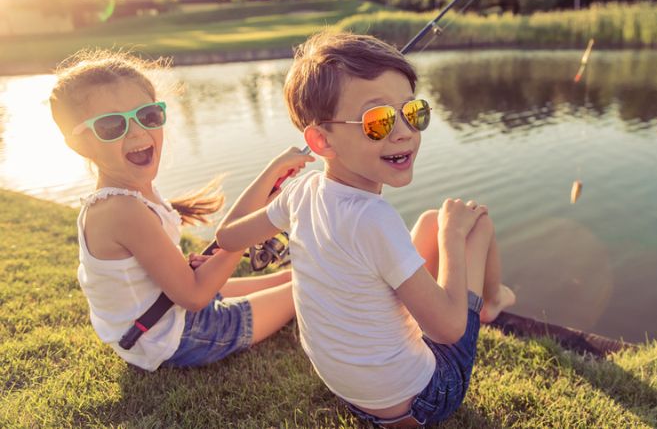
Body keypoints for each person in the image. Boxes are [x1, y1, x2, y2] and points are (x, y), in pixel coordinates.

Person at [216, 31, 516, 426]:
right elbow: (446, 330)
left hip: (351, 392)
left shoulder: (300, 192)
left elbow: (226, 237)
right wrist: (452, 237)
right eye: (379, 121)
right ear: (321, 141)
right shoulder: (373, 219)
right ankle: (491, 301)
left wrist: (272, 173)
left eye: (412, 111)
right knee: (474, 223)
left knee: (427, 220)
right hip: (419, 403)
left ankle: (488, 297)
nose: (405, 131)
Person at [50, 49, 307, 371]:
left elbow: (212, 252)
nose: (138, 132)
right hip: (178, 337)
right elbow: (196, 295)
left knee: (297, 275)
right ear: (78, 143)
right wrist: (255, 229)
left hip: (165, 314)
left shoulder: (133, 193)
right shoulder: (121, 210)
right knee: (310, 287)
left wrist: (271, 171)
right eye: (112, 125)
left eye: (147, 116)